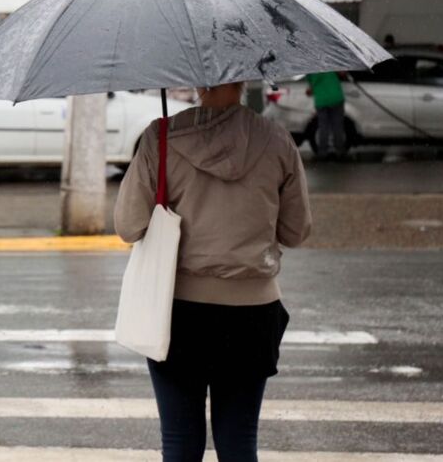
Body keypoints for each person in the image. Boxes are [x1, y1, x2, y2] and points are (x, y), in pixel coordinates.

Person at [115, 81, 312, 462]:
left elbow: (128, 226)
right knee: (239, 442)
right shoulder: (277, 140)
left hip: (178, 312)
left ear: (195, 78)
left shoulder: (162, 137)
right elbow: (295, 230)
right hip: (253, 314)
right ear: (244, 77)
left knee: (180, 443)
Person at [305, 71, 347, 159]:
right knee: (337, 126)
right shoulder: (330, 62)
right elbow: (343, 74)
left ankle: (322, 153)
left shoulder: (310, 70)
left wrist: (312, 90)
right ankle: (340, 151)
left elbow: (310, 89)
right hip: (336, 97)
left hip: (321, 101)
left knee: (323, 127)